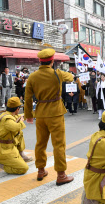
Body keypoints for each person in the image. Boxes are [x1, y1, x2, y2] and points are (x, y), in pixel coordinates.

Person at [24, 48, 74, 186]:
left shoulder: (32, 77)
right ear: (52, 61)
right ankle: (61, 175)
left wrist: (28, 115)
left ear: (40, 61)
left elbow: (27, 98)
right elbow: (71, 77)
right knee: (58, 144)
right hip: (56, 113)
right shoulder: (57, 73)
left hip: (40, 113)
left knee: (40, 143)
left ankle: (41, 170)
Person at [0, 97, 32, 174]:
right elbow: (16, 127)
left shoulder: (7, 114)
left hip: (8, 147)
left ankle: (20, 154)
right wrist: (21, 121)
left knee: (20, 133)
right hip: (3, 149)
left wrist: (26, 114)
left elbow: (18, 117)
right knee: (23, 168)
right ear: (17, 109)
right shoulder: (7, 119)